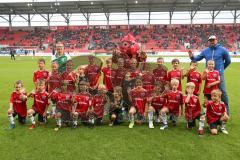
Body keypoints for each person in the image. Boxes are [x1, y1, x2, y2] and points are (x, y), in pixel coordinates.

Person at [188, 35, 231, 114]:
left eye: (213, 40)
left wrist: (221, 69)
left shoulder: (223, 50)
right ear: (209, 41)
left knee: (223, 92)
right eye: (210, 40)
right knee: (208, 93)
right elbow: (196, 59)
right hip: (208, 75)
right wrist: (191, 56)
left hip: (219, 74)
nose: (212, 41)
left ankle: (226, 112)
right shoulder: (205, 51)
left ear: (216, 40)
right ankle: (209, 111)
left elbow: (228, 61)